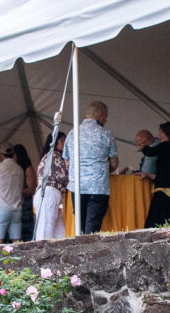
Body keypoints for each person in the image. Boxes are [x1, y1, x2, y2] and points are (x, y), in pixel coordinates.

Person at [65, 101, 117, 234]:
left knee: (80, 228)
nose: (106, 120)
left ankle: (81, 252)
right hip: (98, 187)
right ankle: (90, 253)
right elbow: (114, 163)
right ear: (99, 116)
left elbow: (67, 163)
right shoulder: (106, 134)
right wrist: (104, 169)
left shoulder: (71, 134)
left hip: (77, 187)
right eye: (106, 116)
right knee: (92, 229)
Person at [34, 131, 69, 241]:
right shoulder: (53, 156)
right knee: (46, 230)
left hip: (52, 194)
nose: (64, 143)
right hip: (50, 193)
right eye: (62, 140)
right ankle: (42, 256)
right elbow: (66, 176)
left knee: (58, 232)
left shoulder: (51, 156)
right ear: (54, 142)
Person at [0, 146, 24, 243]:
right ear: (14, 155)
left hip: (1, 207)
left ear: (1, 155)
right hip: (17, 209)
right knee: (17, 243)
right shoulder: (20, 170)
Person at [11, 143, 37, 241]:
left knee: (24, 231)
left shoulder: (28, 169)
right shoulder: (14, 169)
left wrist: (16, 191)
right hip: (15, 203)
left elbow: (31, 189)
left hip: (24, 205)